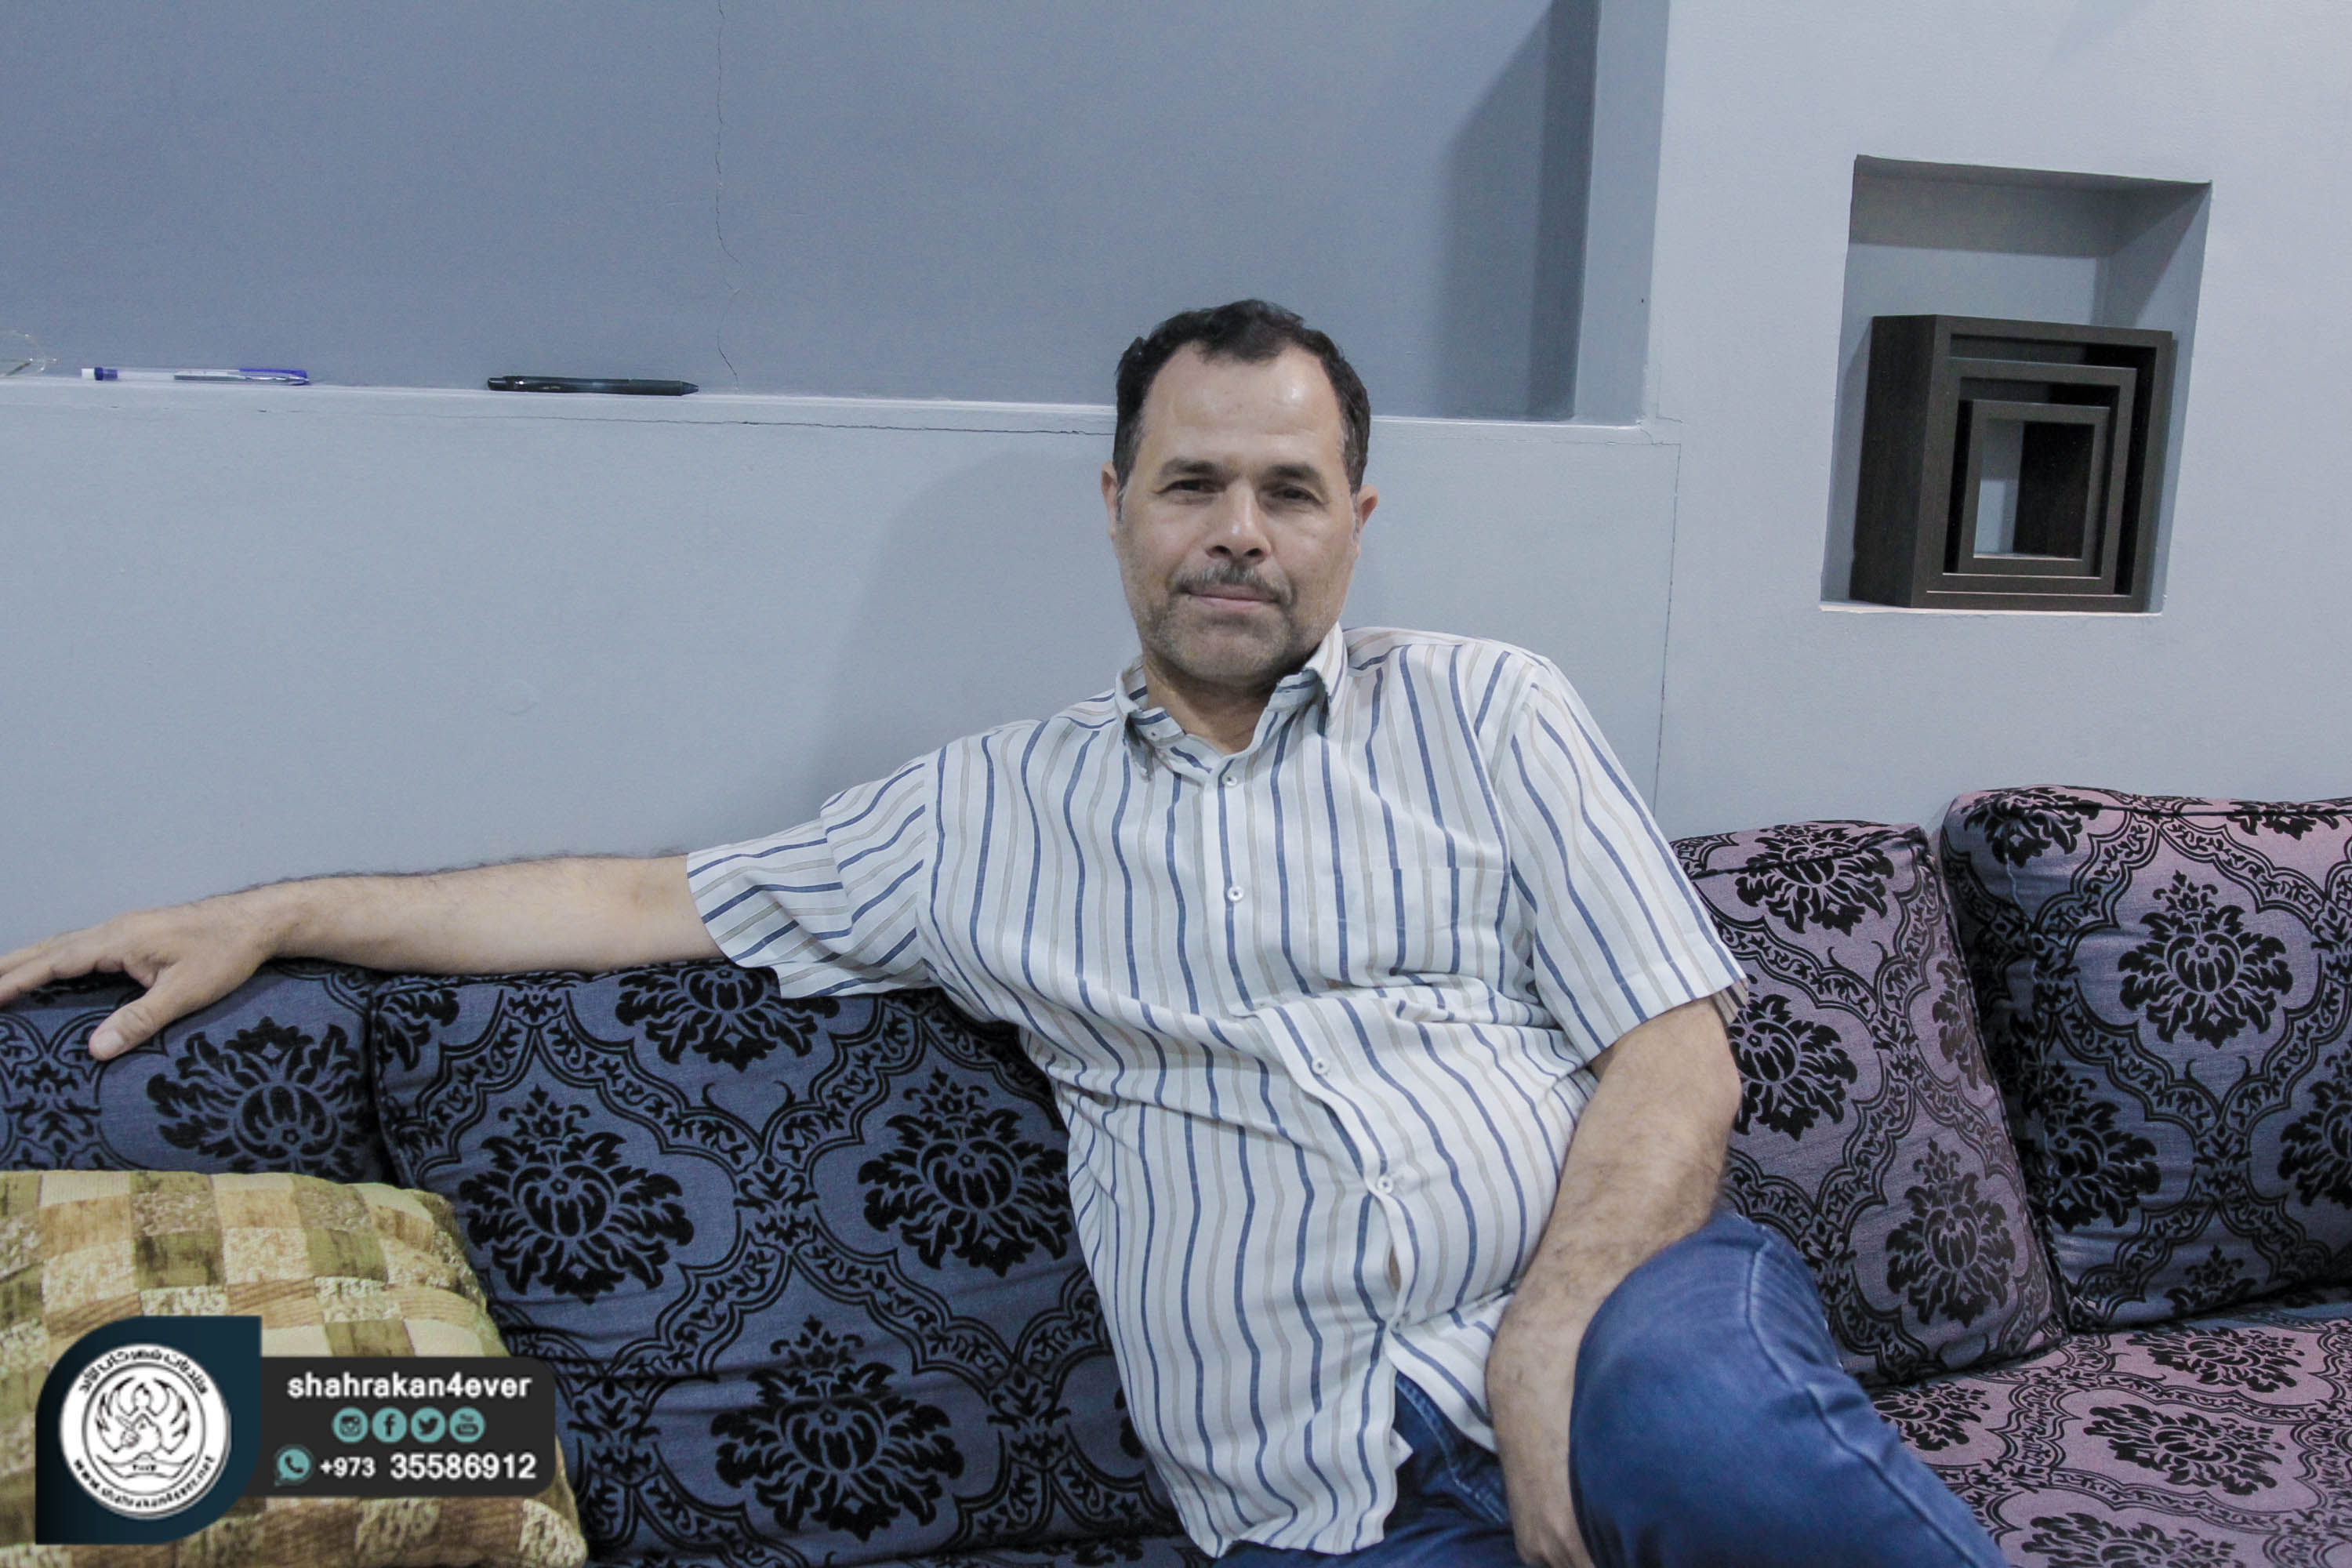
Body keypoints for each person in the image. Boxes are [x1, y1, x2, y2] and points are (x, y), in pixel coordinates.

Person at [0, 301, 2000, 1568]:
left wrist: (1555, 1333)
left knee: (1694, 1414)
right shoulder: (978, 816)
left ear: (1356, 519)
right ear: (1117, 503)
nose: (1239, 527)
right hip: (1334, 1505)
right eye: (1194, 482)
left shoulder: (1488, 707)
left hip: (1630, 1336)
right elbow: (632, 898)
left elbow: (1675, 1045)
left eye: (1289, 489)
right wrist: (279, 908)